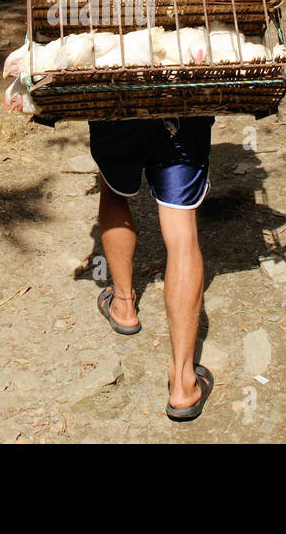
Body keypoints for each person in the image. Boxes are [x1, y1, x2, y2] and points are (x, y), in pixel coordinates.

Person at [89, 115, 214, 421]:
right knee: (182, 227)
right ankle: (184, 382)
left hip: (115, 100)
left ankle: (123, 305)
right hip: (184, 103)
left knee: (113, 191)